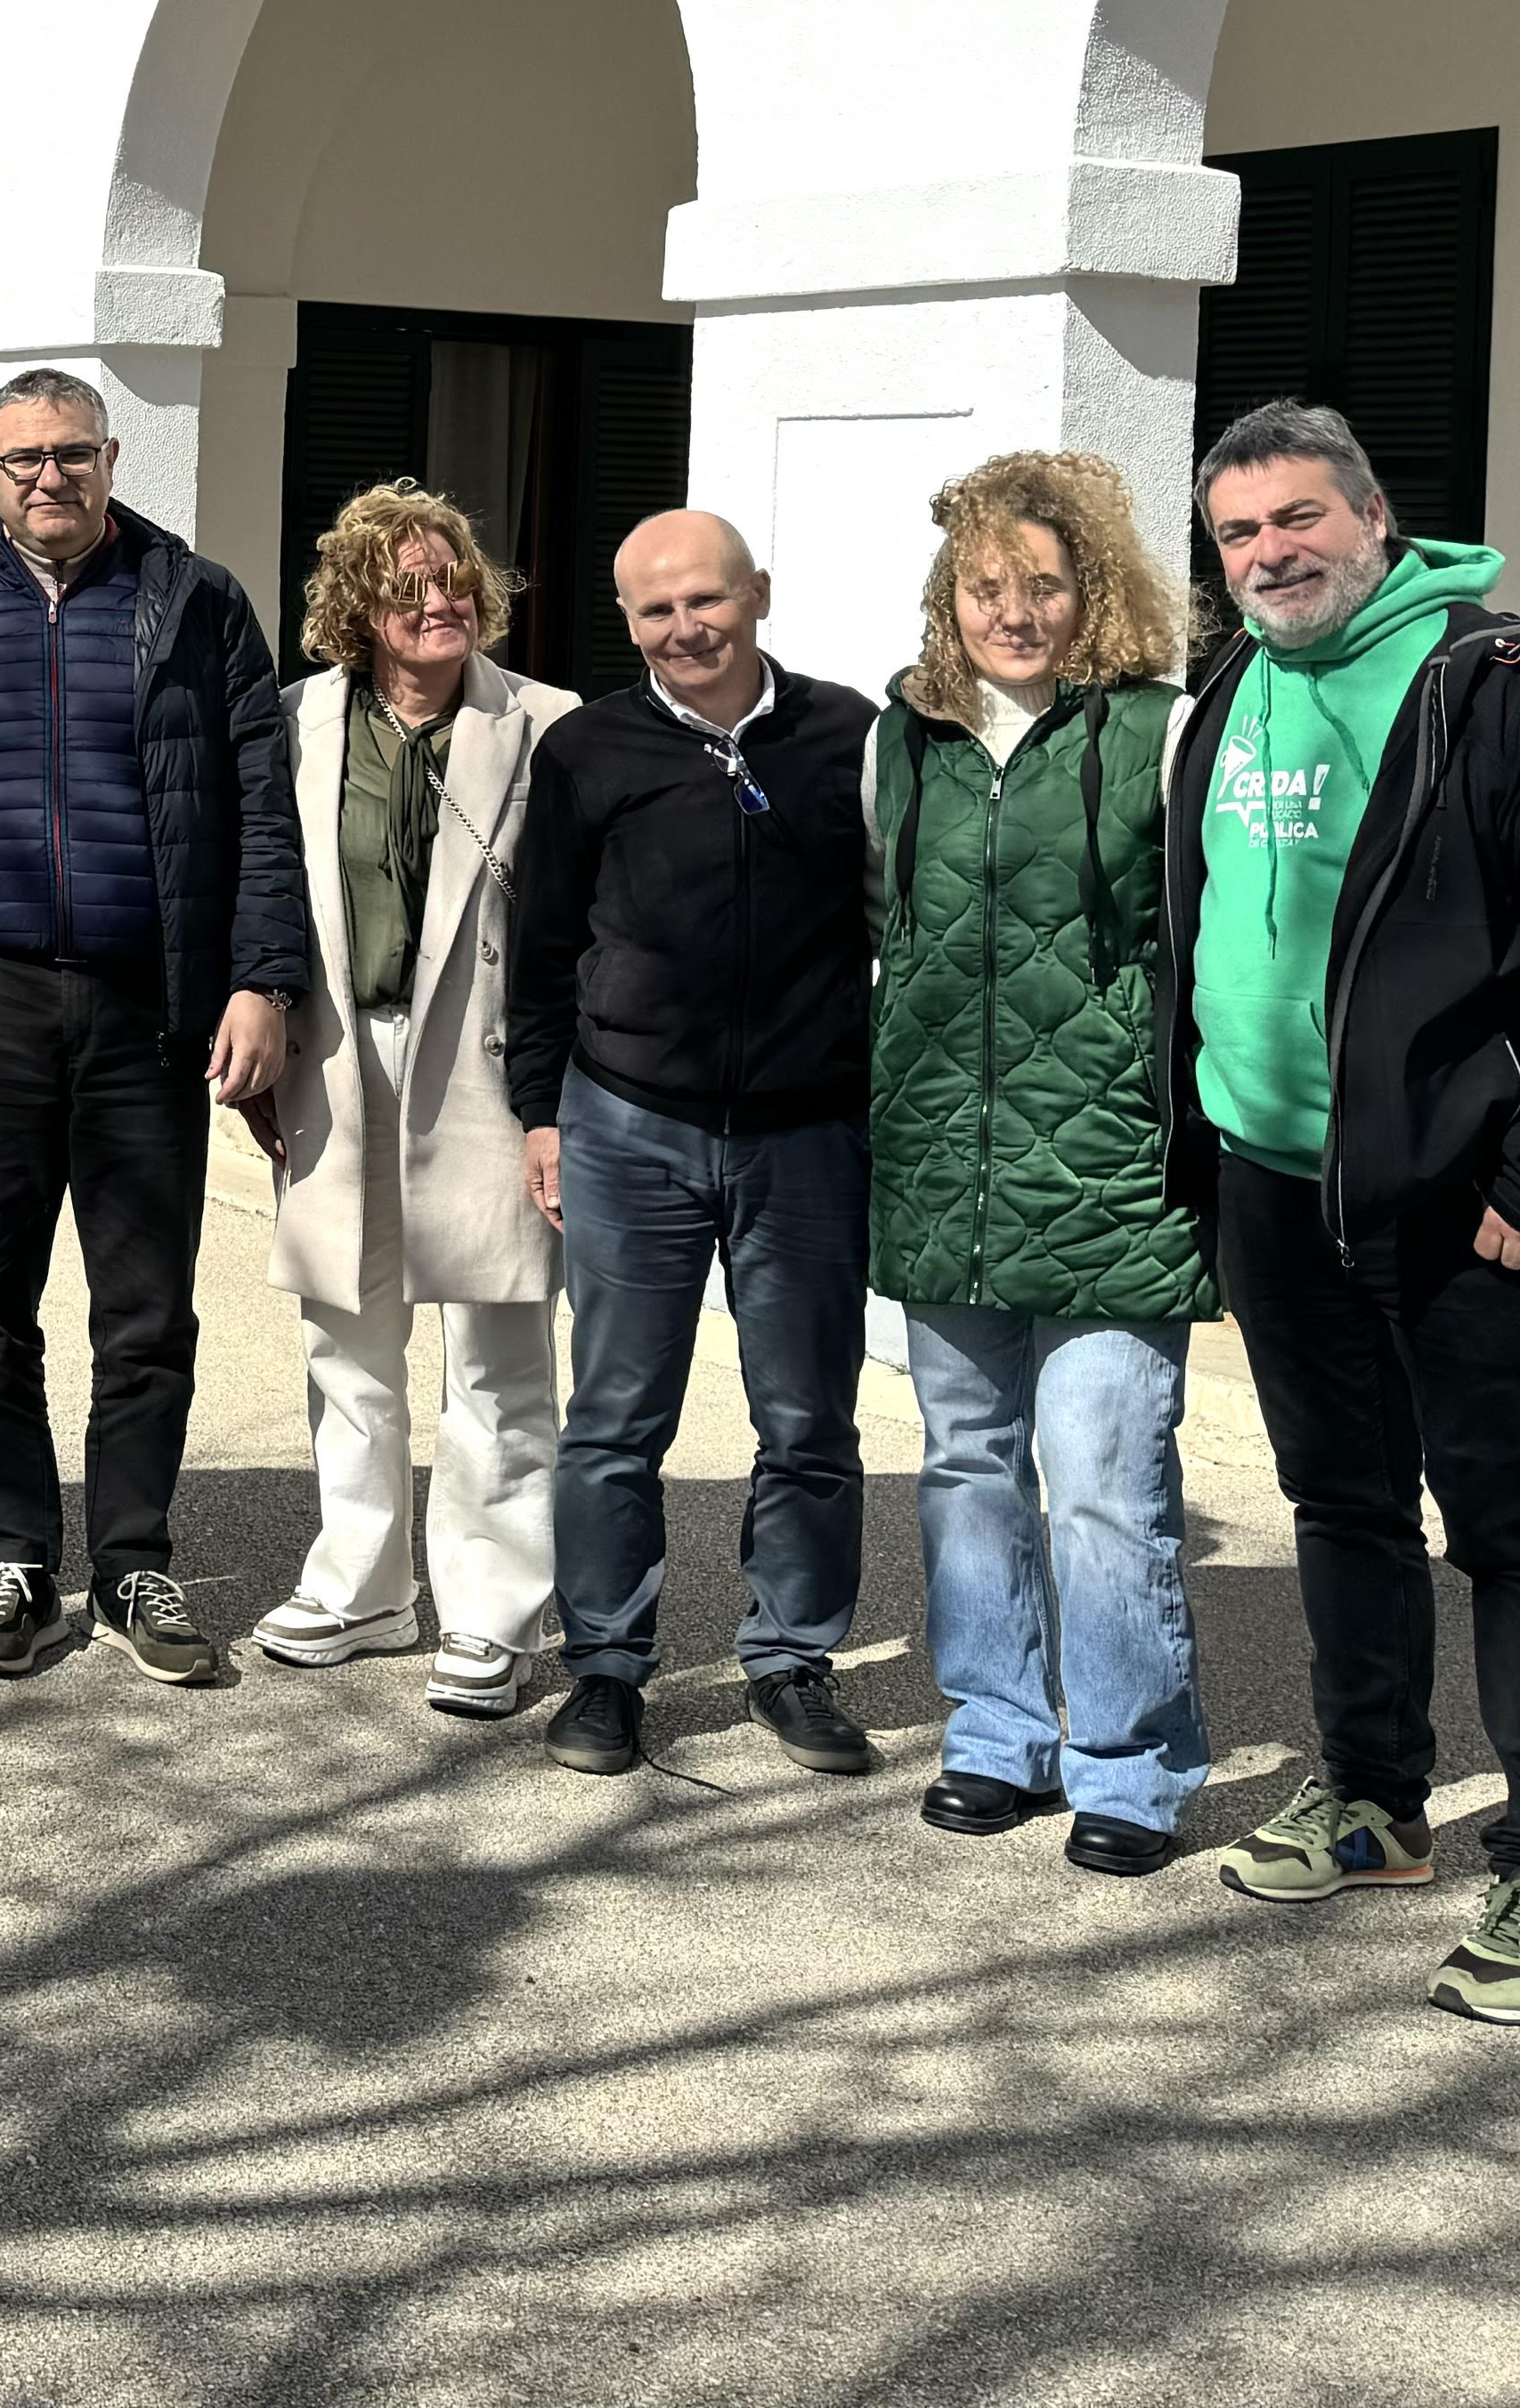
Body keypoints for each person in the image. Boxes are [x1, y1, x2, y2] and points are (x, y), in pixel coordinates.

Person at [1174, 401, 1520, 2025]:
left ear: (1379, 520)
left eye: (1301, 518)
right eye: (1242, 533)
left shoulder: (1509, 687)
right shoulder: (1230, 691)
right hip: (1273, 1179)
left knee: (1515, 1532)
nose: (1272, 554)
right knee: (1340, 1505)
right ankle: (1375, 1799)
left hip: (1468, 1203)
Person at [0, 367, 305, 1684]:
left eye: (70, 454)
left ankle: (133, 1564)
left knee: (146, 1307)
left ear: (111, 458)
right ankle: (11, 1558)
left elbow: (261, 806)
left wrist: (263, 981)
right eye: (22, 459)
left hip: (146, 1008)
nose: (47, 479)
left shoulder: (198, 601)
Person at [866, 450, 1209, 1878]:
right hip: (946, 1162)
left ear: (1096, 592)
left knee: (1109, 1476)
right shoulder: (903, 739)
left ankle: (1130, 1762)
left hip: (1117, 1164)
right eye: (985, 585)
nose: (1013, 611)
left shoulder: (1166, 730)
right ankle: (997, 1733)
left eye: (1043, 585)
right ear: (951, 596)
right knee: (966, 1469)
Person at [512, 509, 881, 1783]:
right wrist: (540, 1112)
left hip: (810, 1135)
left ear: (759, 594)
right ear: (627, 622)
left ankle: (792, 1662)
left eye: (706, 601)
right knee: (615, 1420)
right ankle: (606, 1671)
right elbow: (544, 945)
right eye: (656, 610)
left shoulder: (851, 739)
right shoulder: (585, 751)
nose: (685, 629)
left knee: (809, 1421)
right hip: (628, 1124)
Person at [249, 482, 575, 1722]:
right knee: (348, 1329)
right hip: (342, 1051)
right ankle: (364, 1584)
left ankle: (491, 1612)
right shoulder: (299, 721)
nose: (438, 603)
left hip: (489, 1063)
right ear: (360, 608)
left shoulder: (547, 723)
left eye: (452, 581)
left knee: (497, 1342)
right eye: (407, 587)